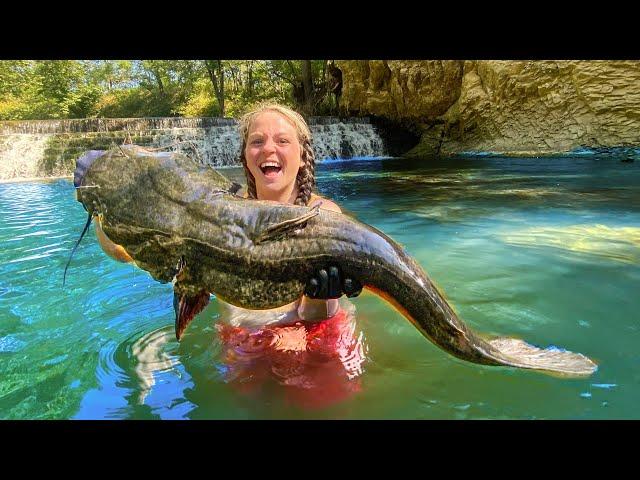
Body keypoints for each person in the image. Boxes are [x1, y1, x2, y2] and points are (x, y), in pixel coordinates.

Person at [214, 102, 366, 409]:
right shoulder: (222, 214)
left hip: (318, 330)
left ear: (301, 156)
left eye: (282, 141)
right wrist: (100, 209)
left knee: (321, 401)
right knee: (249, 405)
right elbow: (126, 251)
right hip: (245, 335)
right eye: (257, 141)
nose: (268, 148)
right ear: (245, 155)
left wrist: (320, 297)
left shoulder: (325, 215)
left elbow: (316, 314)